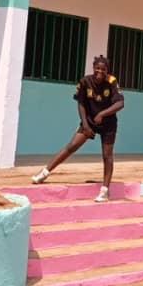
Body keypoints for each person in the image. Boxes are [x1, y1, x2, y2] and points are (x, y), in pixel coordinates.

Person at [31, 56, 125, 203]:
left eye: (103, 69)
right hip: (90, 121)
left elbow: (120, 104)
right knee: (72, 146)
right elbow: (81, 103)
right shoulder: (85, 82)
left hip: (108, 124)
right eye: (97, 68)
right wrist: (85, 125)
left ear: (107, 70)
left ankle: (105, 191)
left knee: (107, 156)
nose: (100, 71)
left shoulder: (112, 81)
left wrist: (102, 114)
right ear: (93, 68)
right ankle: (44, 173)